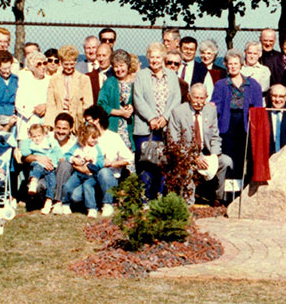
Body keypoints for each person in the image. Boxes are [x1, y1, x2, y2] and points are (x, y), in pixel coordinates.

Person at [166, 83, 232, 204]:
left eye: (202, 98)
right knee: (186, 169)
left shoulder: (211, 110)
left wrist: (214, 156)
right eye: (196, 98)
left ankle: (219, 199)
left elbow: (215, 137)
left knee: (226, 162)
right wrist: (194, 157)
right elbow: (173, 142)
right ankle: (188, 203)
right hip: (185, 155)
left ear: (206, 97)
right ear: (189, 96)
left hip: (207, 154)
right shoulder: (178, 112)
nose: (199, 102)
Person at [133, 43, 181, 199]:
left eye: (158, 57)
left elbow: (176, 99)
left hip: (166, 127)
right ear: (147, 58)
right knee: (146, 162)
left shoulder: (172, 76)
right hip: (146, 127)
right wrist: (151, 118)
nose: (155, 60)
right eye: (152, 57)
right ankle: (145, 196)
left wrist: (165, 117)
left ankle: (160, 194)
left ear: (164, 58)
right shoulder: (141, 76)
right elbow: (138, 99)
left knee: (163, 162)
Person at [211, 49, 264, 182]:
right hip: (227, 123)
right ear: (226, 65)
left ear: (241, 65)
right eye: (230, 64)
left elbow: (258, 108)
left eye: (236, 63)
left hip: (245, 124)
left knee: (242, 157)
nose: (233, 66)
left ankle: (240, 189)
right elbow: (215, 105)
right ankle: (226, 192)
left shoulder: (252, 84)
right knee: (228, 157)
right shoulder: (221, 84)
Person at [84, 106, 132, 217]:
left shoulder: (113, 137)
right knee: (76, 197)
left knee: (104, 172)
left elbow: (129, 159)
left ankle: (107, 204)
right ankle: (92, 206)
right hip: (91, 176)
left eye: (89, 120)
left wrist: (112, 163)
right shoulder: (86, 138)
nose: (87, 124)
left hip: (110, 177)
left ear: (97, 120)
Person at [60, 124, 106, 217]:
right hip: (78, 173)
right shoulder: (78, 146)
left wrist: (93, 160)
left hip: (91, 174)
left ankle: (92, 208)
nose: (95, 140)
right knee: (68, 186)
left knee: (87, 186)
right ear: (84, 136)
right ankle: (65, 204)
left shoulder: (96, 148)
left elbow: (101, 162)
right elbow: (66, 155)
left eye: (96, 138)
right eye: (93, 138)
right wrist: (74, 159)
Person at [21, 123, 61, 213]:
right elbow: (24, 153)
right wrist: (28, 140)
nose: (37, 138)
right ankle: (33, 183)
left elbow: (56, 149)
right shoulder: (31, 144)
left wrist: (58, 158)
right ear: (31, 137)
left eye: (39, 136)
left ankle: (48, 201)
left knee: (52, 182)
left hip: (50, 167)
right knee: (37, 169)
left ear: (44, 135)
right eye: (34, 136)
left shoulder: (49, 142)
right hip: (38, 164)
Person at [47, 113, 79, 214]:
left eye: (64, 129)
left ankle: (58, 201)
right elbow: (28, 155)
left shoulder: (76, 143)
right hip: (49, 176)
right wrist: (38, 157)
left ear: (70, 129)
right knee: (39, 187)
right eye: (58, 128)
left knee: (65, 164)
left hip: (67, 179)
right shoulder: (47, 138)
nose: (61, 132)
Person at [15, 52, 49, 140]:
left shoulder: (50, 80)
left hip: (46, 120)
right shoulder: (24, 80)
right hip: (28, 121)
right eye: (39, 64)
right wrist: (34, 110)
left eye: (44, 63)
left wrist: (46, 106)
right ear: (32, 67)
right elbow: (19, 103)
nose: (43, 66)